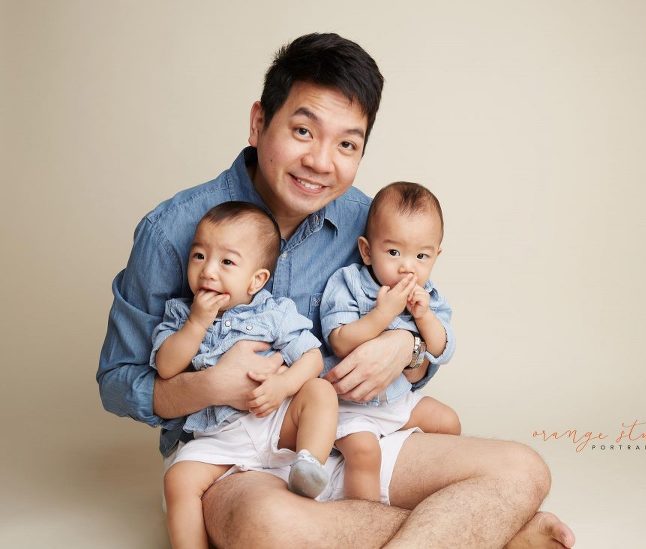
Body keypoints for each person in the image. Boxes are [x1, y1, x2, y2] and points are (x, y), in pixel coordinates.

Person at [98, 32, 575, 547]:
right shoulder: (172, 230)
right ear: (259, 123)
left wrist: (406, 346)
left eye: (347, 144)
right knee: (270, 528)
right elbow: (118, 381)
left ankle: (466, 530)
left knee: (523, 470)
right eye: (303, 131)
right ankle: (495, 535)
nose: (322, 163)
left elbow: (419, 344)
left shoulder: (366, 224)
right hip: (232, 457)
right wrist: (212, 385)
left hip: (354, 436)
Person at [151, 202, 338, 548]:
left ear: (257, 279)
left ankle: (308, 464)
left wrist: (283, 385)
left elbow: (312, 357)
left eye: (226, 262)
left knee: (320, 393)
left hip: (274, 422)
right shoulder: (181, 314)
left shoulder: (273, 312)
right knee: (178, 480)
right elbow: (166, 367)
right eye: (199, 256)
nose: (208, 271)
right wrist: (196, 323)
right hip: (219, 434)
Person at [321, 182, 461, 501]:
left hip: (397, 400)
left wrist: (424, 317)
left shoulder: (430, 297)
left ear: (435, 256)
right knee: (364, 453)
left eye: (421, 255)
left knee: (448, 422)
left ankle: (419, 496)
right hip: (349, 405)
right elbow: (340, 341)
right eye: (394, 252)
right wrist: (382, 315)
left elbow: (443, 349)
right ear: (367, 250)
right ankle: (364, 517)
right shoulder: (350, 284)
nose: (407, 266)